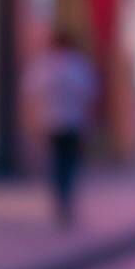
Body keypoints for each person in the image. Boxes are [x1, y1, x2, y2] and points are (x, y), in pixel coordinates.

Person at [22, 27, 99, 228]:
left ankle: (61, 197)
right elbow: (89, 97)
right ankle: (65, 197)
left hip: (51, 122)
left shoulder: (43, 66)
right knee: (68, 163)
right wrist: (88, 122)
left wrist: (33, 122)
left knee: (57, 162)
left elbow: (30, 96)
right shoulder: (78, 66)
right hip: (72, 122)